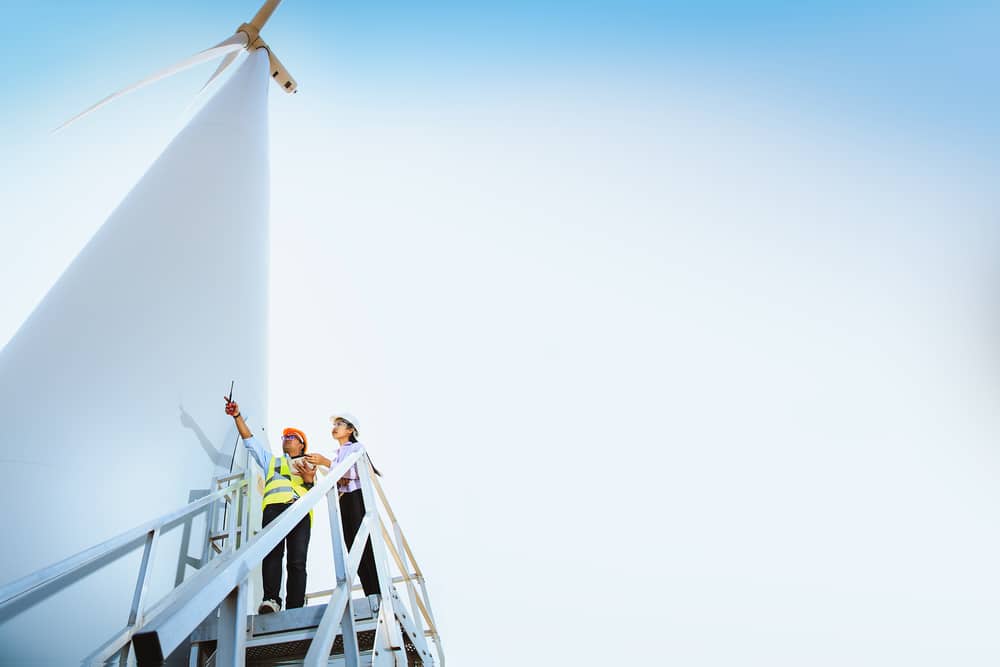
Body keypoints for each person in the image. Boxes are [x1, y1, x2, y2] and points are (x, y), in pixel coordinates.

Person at [224, 398, 316, 614]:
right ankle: (271, 600)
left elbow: (313, 492)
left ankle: (294, 607)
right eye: (285, 437)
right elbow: (249, 440)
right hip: (274, 510)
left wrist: (310, 480)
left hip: (300, 512)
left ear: (301, 444)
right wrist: (237, 416)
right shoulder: (271, 461)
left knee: (297, 561)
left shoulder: (309, 463)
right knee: (273, 554)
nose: (286, 440)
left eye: (292, 437)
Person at [301, 413, 382, 600]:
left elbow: (350, 472)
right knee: (352, 546)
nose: (335, 427)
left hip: (356, 498)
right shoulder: (337, 455)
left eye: (340, 424)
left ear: (351, 429)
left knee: (364, 545)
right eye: (334, 424)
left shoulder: (356, 447)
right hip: (344, 500)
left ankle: (376, 591)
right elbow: (334, 478)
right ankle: (371, 591)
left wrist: (325, 462)